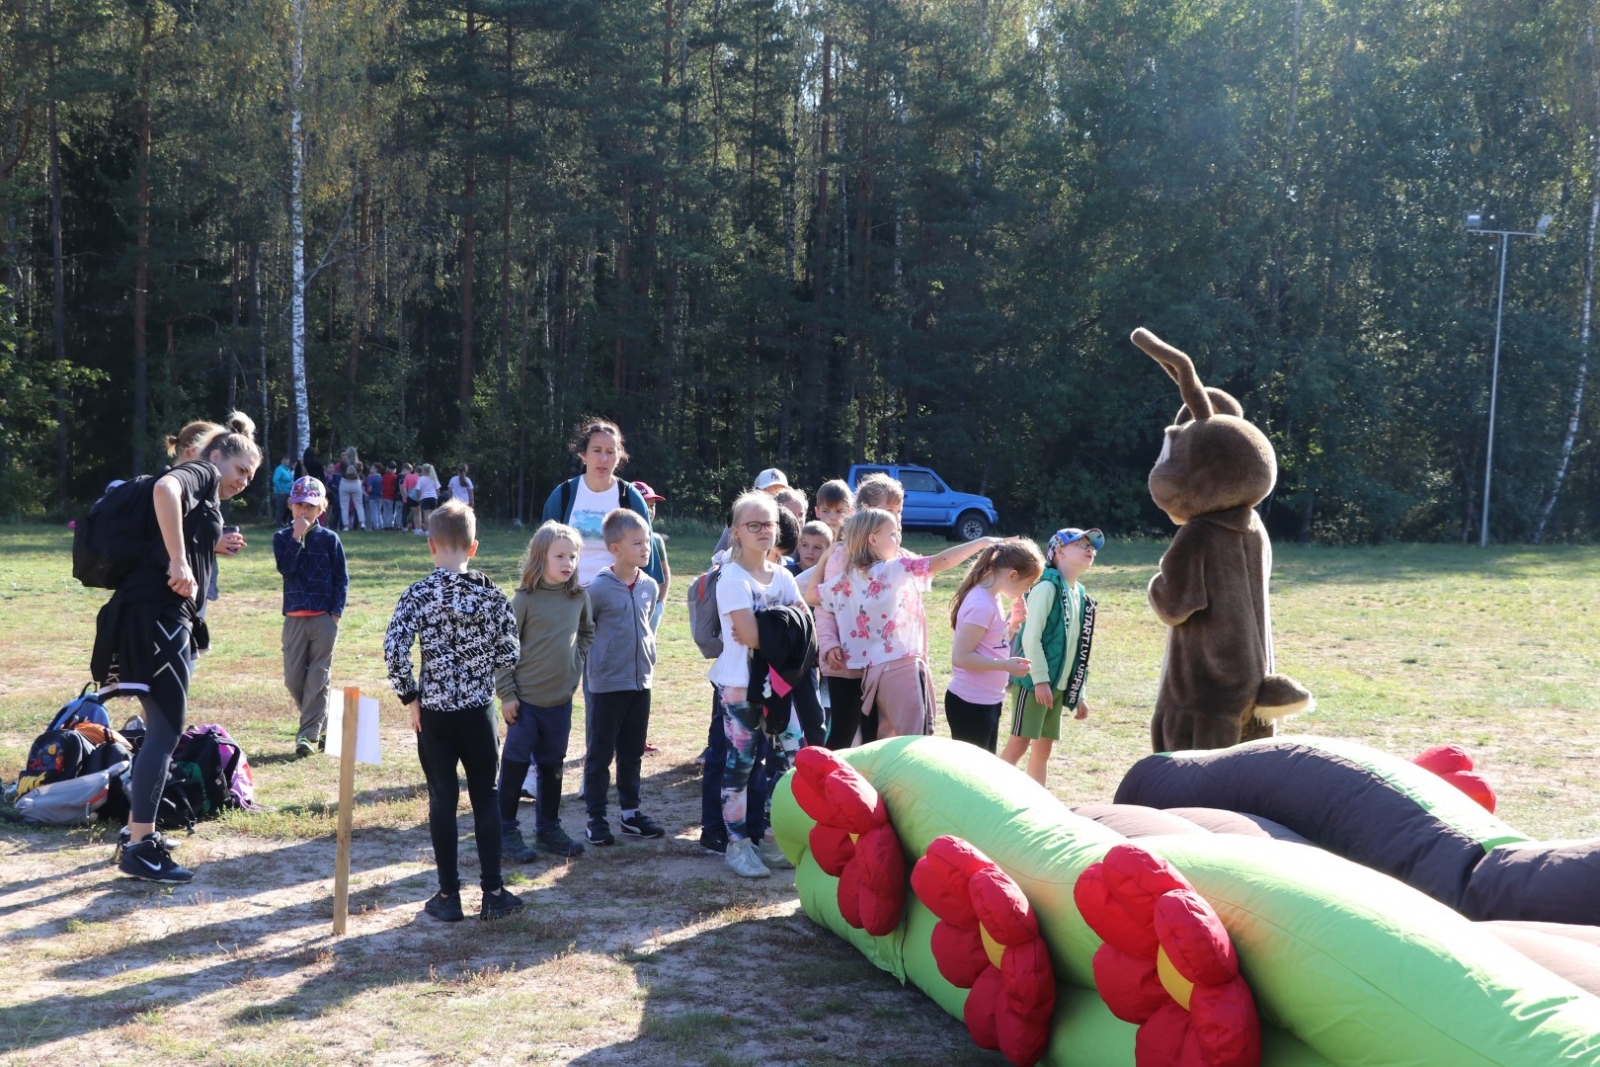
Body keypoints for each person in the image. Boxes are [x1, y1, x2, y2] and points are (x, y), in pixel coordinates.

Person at [99, 413, 259, 882]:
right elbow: (165, 490)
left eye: (251, 475)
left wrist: (206, 549)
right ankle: (141, 846)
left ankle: (137, 835)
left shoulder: (209, 485)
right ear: (216, 457)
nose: (244, 482)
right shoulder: (202, 473)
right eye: (241, 470)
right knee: (166, 732)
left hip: (158, 618)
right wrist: (178, 560)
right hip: (158, 618)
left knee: (162, 730)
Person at [383, 499, 524, 922]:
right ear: (474, 547)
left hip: (435, 715)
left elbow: (393, 650)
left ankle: (448, 897)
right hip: (478, 712)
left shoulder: (418, 594)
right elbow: (511, 650)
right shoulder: (490, 594)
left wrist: (411, 697)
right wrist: (482, 662)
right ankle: (494, 893)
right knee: (486, 798)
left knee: (442, 800)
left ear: (431, 546)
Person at [820, 508, 997, 739]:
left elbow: (810, 593)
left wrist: (824, 559)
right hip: (903, 668)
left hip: (873, 675)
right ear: (873, 539)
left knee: (880, 745)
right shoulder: (895, 567)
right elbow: (941, 561)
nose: (899, 538)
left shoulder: (846, 579)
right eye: (893, 534)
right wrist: (982, 542)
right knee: (914, 744)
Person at [710, 491, 806, 878]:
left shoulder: (782, 574)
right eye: (755, 524)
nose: (765, 530)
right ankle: (737, 846)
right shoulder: (731, 578)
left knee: (794, 757)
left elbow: (804, 625)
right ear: (737, 532)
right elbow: (749, 637)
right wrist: (776, 625)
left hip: (778, 684)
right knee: (742, 764)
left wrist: (768, 623)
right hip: (739, 685)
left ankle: (770, 837)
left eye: (770, 523)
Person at [494, 521, 593, 862]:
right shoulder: (523, 601)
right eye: (560, 556)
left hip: (559, 701)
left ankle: (548, 827)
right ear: (540, 557)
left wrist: (575, 666)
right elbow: (503, 650)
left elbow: (586, 634)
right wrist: (507, 694)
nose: (568, 563)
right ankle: (504, 829)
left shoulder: (578, 597)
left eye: (573, 556)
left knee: (552, 765)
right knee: (517, 765)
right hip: (524, 703)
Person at [581, 508, 663, 845]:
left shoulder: (649, 586)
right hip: (606, 684)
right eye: (637, 543)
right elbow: (584, 631)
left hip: (640, 682)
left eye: (647, 542)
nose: (646, 549)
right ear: (615, 549)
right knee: (600, 752)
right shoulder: (598, 589)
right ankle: (596, 818)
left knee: (632, 751)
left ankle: (630, 815)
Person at [1001, 528, 1102, 787]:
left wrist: (1078, 692)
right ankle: (985, 794)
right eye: (1081, 544)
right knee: (1019, 743)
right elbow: (1029, 638)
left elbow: (1079, 648)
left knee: (1044, 748)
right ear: (1059, 551)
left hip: (1057, 684)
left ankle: (1037, 803)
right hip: (1035, 683)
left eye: (1091, 546)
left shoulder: (1079, 593)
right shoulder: (1047, 586)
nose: (1089, 549)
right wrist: (1040, 680)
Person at [809, 473, 901, 748]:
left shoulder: (896, 555)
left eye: (898, 512)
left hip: (881, 662)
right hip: (845, 663)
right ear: (863, 512)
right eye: (888, 512)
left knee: (877, 735)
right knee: (844, 732)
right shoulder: (841, 556)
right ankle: (824, 785)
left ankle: (866, 788)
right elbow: (824, 607)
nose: (895, 519)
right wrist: (829, 644)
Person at [946, 540, 1044, 753]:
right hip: (970, 704)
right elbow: (961, 657)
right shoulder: (981, 604)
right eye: (1027, 584)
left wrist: (1014, 625)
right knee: (972, 776)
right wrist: (1006, 666)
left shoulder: (993, 597)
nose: (1026, 590)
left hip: (987, 700)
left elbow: (992, 643)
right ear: (1012, 575)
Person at [275, 476, 348, 758]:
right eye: (299, 505)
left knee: (318, 675)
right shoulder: (281, 538)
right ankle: (327, 724)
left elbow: (341, 578)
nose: (304, 511)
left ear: (321, 508)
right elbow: (286, 568)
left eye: (310, 505)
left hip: (323, 619)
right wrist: (296, 537)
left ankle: (306, 736)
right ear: (290, 505)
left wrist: (336, 614)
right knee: (294, 680)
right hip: (294, 617)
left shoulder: (330, 539)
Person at [541, 418, 652, 587]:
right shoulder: (563, 495)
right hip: (569, 597)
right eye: (597, 450)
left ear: (619, 455)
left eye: (610, 451)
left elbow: (647, 559)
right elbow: (542, 552)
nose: (603, 459)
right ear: (583, 454)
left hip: (617, 598)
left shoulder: (630, 497)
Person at [633, 481, 671, 634]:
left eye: (652, 505)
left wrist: (660, 604)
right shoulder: (616, 539)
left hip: (650, 605)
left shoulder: (656, 540)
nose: (649, 510)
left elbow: (665, 573)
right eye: (644, 505)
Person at [414, 463, 441, 536]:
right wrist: (437, 497)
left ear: (424, 470)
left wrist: (418, 498)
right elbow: (438, 490)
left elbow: (418, 490)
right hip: (433, 497)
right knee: (432, 514)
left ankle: (427, 531)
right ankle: (433, 530)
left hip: (424, 497)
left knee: (426, 515)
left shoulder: (421, 479)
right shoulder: (434, 478)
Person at [271, 454, 295, 525]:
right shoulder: (279, 469)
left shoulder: (287, 469)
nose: (287, 461)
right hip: (281, 493)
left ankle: (284, 522)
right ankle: (278, 523)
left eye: (288, 459)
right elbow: (275, 480)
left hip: (288, 492)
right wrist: (280, 490)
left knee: (287, 508)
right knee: (281, 508)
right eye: (285, 459)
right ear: (282, 460)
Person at [364, 462, 383, 531]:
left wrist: (365, 492)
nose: (370, 469)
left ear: (376, 469)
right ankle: (381, 524)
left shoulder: (371, 478)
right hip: (380, 497)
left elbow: (370, 489)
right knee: (379, 512)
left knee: (374, 512)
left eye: (372, 468)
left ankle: (375, 526)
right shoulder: (381, 478)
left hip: (372, 497)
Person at [381, 463, 399, 529]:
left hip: (384, 496)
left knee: (385, 511)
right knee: (391, 511)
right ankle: (390, 525)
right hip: (391, 496)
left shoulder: (384, 476)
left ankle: (385, 525)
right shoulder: (394, 477)